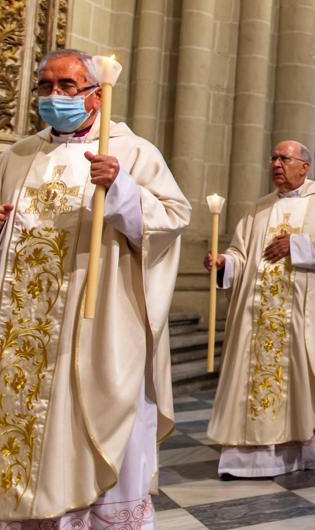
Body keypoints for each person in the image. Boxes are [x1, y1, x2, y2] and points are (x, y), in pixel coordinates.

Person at [0, 49, 189, 525]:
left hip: (96, 325)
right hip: (22, 330)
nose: (54, 96)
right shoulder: (19, 155)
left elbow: (172, 218)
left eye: (67, 86)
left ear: (95, 94)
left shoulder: (133, 152)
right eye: (46, 86)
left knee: (90, 419)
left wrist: (123, 188)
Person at [206, 140, 315, 478]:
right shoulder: (259, 208)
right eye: (274, 158)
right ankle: (251, 460)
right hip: (258, 319)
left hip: (305, 317)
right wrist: (225, 262)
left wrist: (298, 245)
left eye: (285, 158)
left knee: (305, 376)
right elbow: (241, 251)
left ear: (304, 166)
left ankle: (309, 452)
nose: (277, 164)